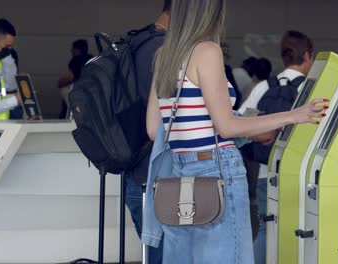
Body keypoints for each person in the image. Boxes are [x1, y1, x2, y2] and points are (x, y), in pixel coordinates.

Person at [143, 1, 326, 263]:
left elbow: (153, 129)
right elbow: (226, 126)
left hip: (178, 175)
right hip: (216, 170)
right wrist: (294, 115)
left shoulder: (163, 56)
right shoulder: (207, 51)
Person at [238, 30, 314, 264]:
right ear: (308, 56)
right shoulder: (311, 90)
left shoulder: (263, 87)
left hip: (266, 172)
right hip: (301, 175)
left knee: (265, 229)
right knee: (302, 231)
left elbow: (240, 123)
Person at [124, 1, 170, 263]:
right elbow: (159, 123)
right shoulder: (160, 49)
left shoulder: (137, 42)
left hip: (137, 171)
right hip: (152, 174)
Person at [57, 39, 93, 119]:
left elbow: (68, 77)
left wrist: (60, 84)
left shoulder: (75, 60)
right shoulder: (93, 59)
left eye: (72, 48)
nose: (71, 50)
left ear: (77, 49)